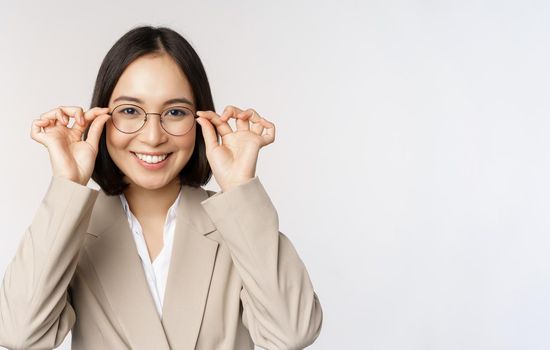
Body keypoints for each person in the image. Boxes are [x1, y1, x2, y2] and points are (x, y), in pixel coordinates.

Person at [0, 26, 322, 350]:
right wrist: (67, 184)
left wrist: (239, 187)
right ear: (100, 117)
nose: (153, 136)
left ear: (200, 120)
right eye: (129, 111)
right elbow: (19, 334)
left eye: (175, 112)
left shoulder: (237, 227)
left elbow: (292, 332)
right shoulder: (73, 228)